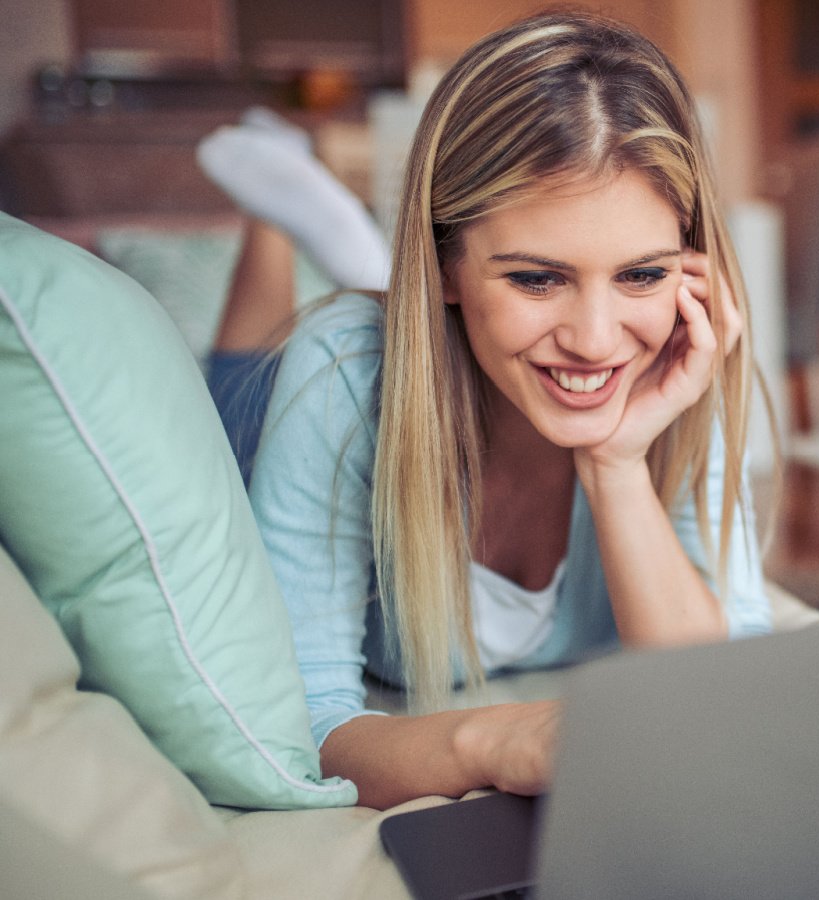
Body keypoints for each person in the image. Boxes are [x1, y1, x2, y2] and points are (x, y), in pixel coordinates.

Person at [197, 11, 772, 810]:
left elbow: (724, 693)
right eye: (538, 278)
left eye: (641, 274)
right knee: (234, 385)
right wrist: (498, 740)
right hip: (273, 418)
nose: (598, 341)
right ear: (441, 263)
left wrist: (616, 464)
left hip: (448, 332)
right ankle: (278, 211)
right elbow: (298, 723)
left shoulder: (676, 370)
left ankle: (391, 269)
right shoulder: (338, 375)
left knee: (453, 345)